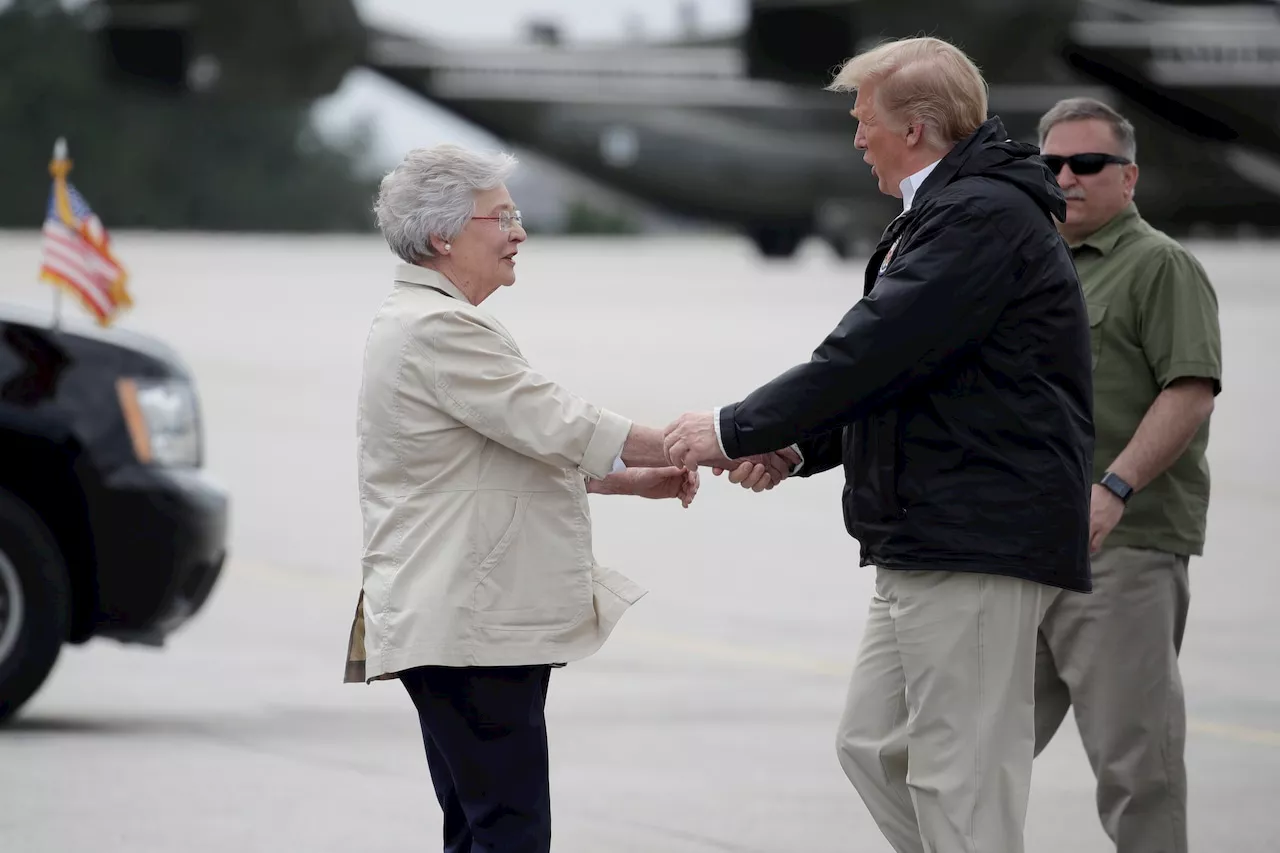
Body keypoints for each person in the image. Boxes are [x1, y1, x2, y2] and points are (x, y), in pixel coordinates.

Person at [664, 37, 1095, 853]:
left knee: (961, 775)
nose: (857, 138)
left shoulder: (983, 216)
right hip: (926, 531)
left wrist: (734, 428)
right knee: (873, 747)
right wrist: (796, 451)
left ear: (921, 126)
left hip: (978, 534)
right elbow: (901, 371)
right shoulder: (951, 210)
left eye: (866, 120)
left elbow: (872, 348)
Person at [344, 144, 785, 853]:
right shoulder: (438, 327)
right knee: (509, 833)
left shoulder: (420, 321)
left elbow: (506, 448)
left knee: (480, 827)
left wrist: (628, 478)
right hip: (469, 626)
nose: (520, 232)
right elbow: (554, 419)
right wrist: (707, 439)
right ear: (442, 236)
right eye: (503, 216)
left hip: (454, 619)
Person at [1033, 97, 1222, 853]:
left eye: (1088, 164)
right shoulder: (1029, 263)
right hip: (1020, 548)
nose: (1067, 178)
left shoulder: (1161, 266)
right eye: (1050, 165)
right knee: (963, 753)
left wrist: (1115, 488)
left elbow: (1190, 390)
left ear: (1130, 175)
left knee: (1135, 767)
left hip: (1123, 548)